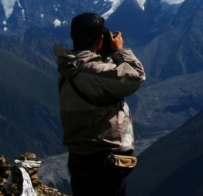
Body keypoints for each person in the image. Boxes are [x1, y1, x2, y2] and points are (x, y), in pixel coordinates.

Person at [53, 12, 146, 196]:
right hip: (104, 161)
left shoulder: (67, 69)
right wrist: (120, 50)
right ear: (99, 40)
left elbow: (94, 74)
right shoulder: (95, 73)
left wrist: (103, 54)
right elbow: (137, 76)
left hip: (79, 158)